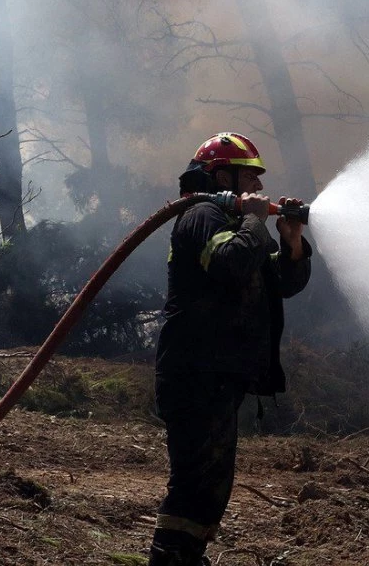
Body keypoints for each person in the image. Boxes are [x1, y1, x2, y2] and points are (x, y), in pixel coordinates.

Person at [148, 132, 313, 565]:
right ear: (223, 177)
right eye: (250, 177)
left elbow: (280, 282)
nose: (259, 187)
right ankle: (170, 558)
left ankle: (187, 555)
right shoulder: (200, 215)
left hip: (218, 375)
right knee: (194, 479)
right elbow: (230, 262)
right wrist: (256, 221)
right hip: (193, 372)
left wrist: (292, 241)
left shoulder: (235, 225)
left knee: (213, 482)